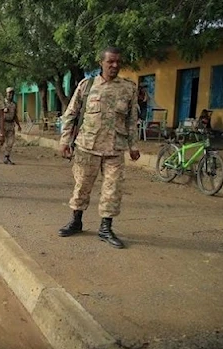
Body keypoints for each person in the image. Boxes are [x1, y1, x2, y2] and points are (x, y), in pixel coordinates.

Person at [57, 47, 140, 249]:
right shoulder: (87, 86)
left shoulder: (128, 88)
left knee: (113, 190)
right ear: (101, 63)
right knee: (82, 187)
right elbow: (70, 114)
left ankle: (105, 228)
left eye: (118, 62)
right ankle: (76, 221)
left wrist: (133, 145)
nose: (115, 65)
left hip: (115, 149)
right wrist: (64, 140)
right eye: (110, 61)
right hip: (87, 147)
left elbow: (132, 120)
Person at [0, 87, 22, 165]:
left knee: (10, 142)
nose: (10, 94)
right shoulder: (1, 103)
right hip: (3, 123)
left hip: (11, 124)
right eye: (9, 93)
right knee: (0, 142)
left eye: (12, 93)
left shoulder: (14, 104)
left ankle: (6, 157)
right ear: (6, 93)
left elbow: (15, 115)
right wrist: (3, 111)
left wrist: (18, 125)